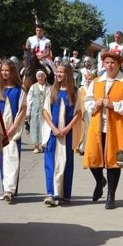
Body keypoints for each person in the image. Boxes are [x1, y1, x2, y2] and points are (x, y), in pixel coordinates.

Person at [83, 51, 123, 209]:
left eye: (113, 62)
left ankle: (110, 195)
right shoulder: (97, 81)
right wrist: (96, 104)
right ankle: (100, 181)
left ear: (119, 64)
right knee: (93, 158)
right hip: (97, 126)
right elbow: (88, 100)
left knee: (114, 162)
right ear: (103, 64)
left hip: (116, 125)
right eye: (107, 62)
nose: (110, 65)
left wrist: (114, 105)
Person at [41, 64, 82, 206]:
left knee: (65, 162)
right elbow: (45, 111)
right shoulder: (52, 90)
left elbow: (78, 112)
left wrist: (67, 128)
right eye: (57, 72)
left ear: (68, 74)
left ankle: (63, 194)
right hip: (53, 134)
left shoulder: (74, 92)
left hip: (67, 134)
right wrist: (53, 128)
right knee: (51, 162)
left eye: (61, 72)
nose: (58, 74)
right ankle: (51, 193)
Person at [0, 59, 27, 203]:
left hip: (13, 130)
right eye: (2, 70)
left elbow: (22, 110)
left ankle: (10, 190)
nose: (4, 73)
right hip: (1, 130)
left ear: (13, 72)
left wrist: (13, 128)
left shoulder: (19, 90)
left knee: (12, 158)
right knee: (3, 160)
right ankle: (6, 188)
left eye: (7, 70)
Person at [26, 70, 50, 154]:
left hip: (45, 111)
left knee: (44, 127)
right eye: (39, 76)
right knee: (35, 127)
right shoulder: (33, 87)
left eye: (42, 76)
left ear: (45, 77)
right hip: (35, 110)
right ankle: (36, 146)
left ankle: (42, 145)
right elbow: (29, 99)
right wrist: (28, 112)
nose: (40, 78)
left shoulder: (49, 87)